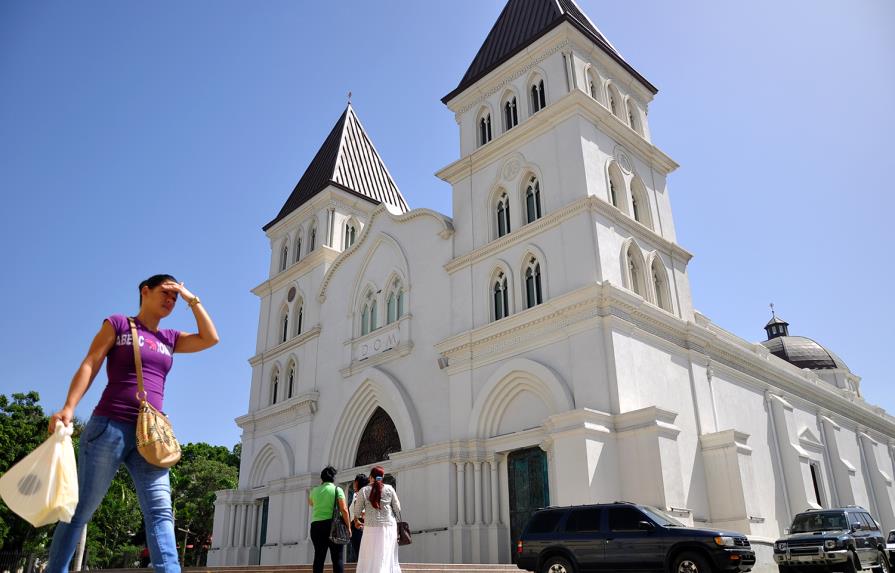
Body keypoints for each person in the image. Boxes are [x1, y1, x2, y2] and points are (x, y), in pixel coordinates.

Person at [45, 274, 219, 573]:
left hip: (151, 437)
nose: (170, 300)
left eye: (175, 297)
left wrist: (191, 298)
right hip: (108, 426)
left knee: (161, 512)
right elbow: (92, 362)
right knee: (80, 511)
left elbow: (210, 338)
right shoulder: (119, 324)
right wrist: (69, 407)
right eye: (166, 292)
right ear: (145, 291)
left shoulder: (171, 338)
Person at [351, 466, 402, 573]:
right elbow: (398, 508)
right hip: (389, 526)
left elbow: (357, 512)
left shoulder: (364, 490)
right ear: (382, 477)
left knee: (371, 556)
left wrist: (356, 521)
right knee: (386, 555)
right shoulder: (389, 489)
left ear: (370, 477)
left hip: (371, 527)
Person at [308, 466, 351, 573]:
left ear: (322, 478)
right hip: (333, 525)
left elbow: (311, 503)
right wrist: (348, 527)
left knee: (319, 557)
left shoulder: (314, 491)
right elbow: (344, 509)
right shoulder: (337, 490)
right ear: (333, 478)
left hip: (316, 526)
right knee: (337, 558)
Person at [349, 473, 370, 562]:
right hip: (356, 525)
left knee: (361, 554)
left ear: (357, 482)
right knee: (359, 553)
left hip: (359, 525)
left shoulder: (362, 494)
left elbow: (364, 512)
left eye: (355, 482)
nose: (353, 484)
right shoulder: (356, 495)